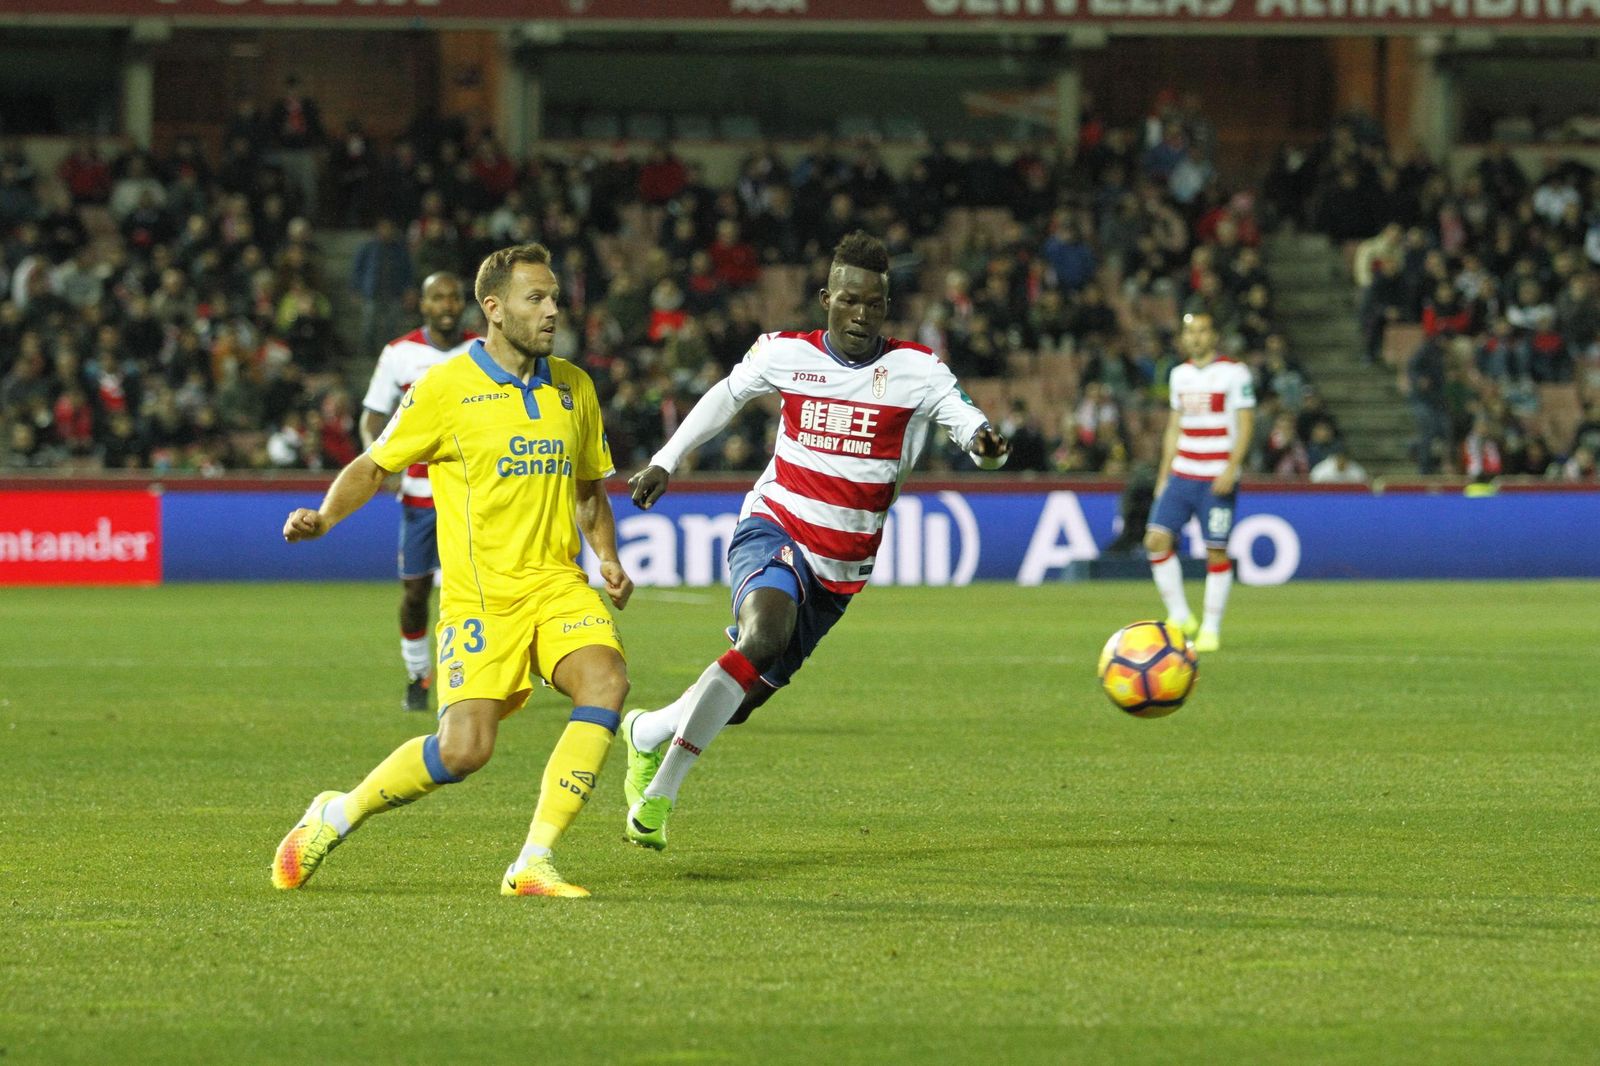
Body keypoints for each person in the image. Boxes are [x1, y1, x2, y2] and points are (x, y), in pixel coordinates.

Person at [618, 231, 1010, 851]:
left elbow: (971, 428)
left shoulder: (915, 369)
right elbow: (725, 397)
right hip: (775, 525)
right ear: (826, 297)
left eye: (874, 304)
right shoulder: (785, 353)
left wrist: (987, 447)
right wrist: (666, 460)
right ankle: (659, 798)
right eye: (849, 300)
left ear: (886, 306)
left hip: (842, 569)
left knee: (742, 699)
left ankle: (647, 731)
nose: (860, 315)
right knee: (763, 634)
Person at [271, 244, 634, 898]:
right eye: (536, 299)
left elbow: (589, 491)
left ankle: (534, 859)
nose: (552, 310)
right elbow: (376, 463)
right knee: (463, 751)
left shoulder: (575, 386)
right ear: (493, 309)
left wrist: (605, 556)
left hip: (556, 584)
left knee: (605, 681)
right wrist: (324, 518)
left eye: (555, 297)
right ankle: (337, 813)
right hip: (481, 600)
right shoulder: (443, 387)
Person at [358, 272, 478, 711]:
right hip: (417, 496)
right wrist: (378, 461)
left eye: (454, 297)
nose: (447, 304)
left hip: (473, 494)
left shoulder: (483, 350)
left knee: (481, 589)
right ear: (424, 305)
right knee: (415, 592)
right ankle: (417, 674)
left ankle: (479, 677)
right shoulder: (399, 353)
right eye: (438, 298)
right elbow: (372, 416)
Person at [1144, 311, 1255, 653]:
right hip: (1182, 473)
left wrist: (1231, 468)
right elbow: (1174, 426)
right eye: (1189, 331)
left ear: (1214, 335)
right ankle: (1180, 615)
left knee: (1216, 551)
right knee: (1155, 541)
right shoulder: (1180, 375)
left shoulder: (1234, 373)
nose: (1195, 337)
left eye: (1202, 331)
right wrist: (1164, 475)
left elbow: (1246, 423)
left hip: (1215, 477)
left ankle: (1210, 628)